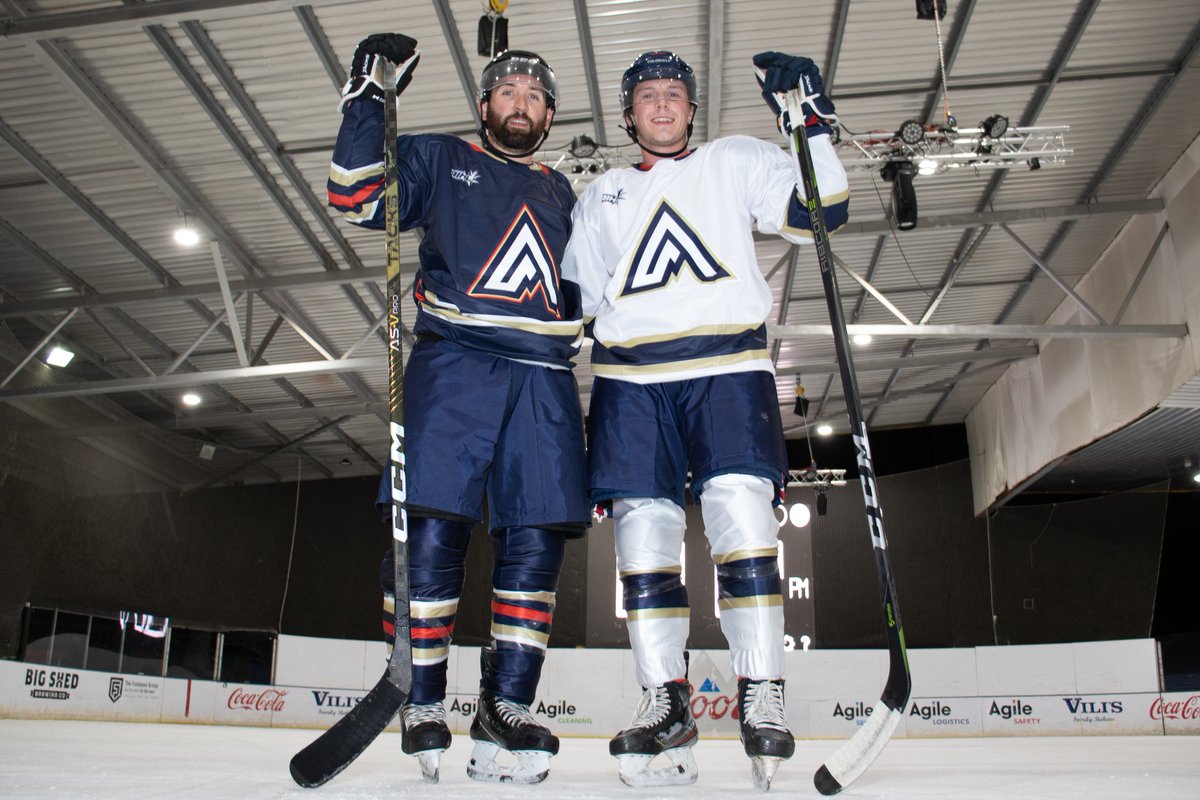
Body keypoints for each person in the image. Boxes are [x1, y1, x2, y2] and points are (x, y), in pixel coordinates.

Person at [560, 51, 849, 790]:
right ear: (629, 114)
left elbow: (823, 210)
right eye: (647, 96)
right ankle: (665, 699)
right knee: (642, 541)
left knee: (744, 523)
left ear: (692, 109)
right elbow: (570, 304)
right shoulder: (602, 196)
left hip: (728, 369)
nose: (662, 105)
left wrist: (809, 121)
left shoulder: (735, 161)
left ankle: (762, 691)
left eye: (674, 94)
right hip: (630, 380)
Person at [328, 33, 589, 784]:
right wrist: (369, 97)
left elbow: (594, 293)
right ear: (484, 105)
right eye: (508, 92)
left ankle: (506, 706)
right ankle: (422, 699)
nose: (521, 104)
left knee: (536, 544)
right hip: (455, 363)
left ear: (549, 116)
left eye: (535, 96)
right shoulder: (441, 159)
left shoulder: (564, 194)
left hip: (544, 377)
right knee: (431, 533)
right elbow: (356, 199)